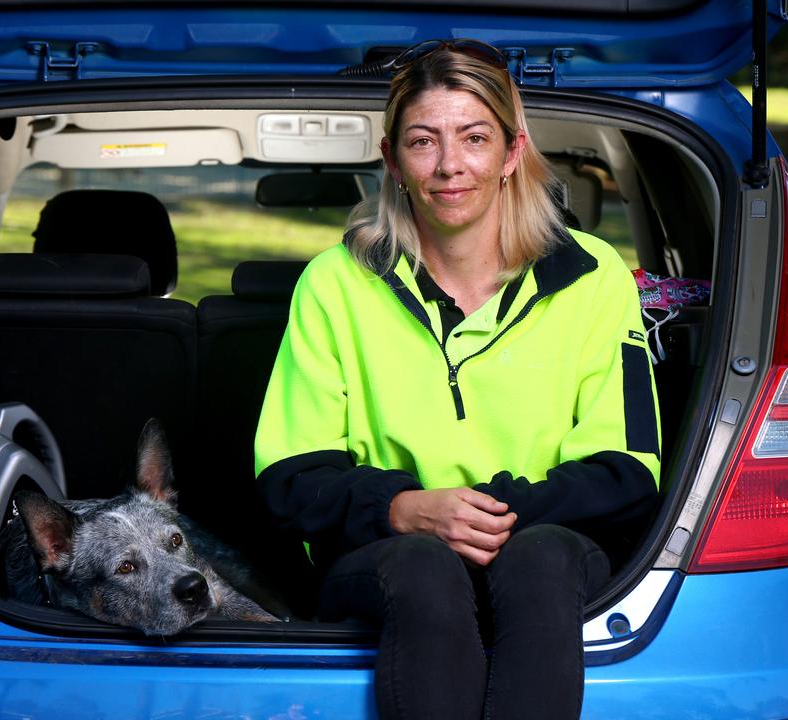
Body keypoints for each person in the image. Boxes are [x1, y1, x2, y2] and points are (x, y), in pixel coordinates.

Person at [254, 39, 661, 720]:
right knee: (421, 565)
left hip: (546, 547)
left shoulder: (594, 276)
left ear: (511, 153)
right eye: (422, 141)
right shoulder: (335, 284)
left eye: (474, 138)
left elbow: (627, 472)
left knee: (538, 561)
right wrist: (402, 509)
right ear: (391, 160)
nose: (449, 166)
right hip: (388, 559)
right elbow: (290, 479)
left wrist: (490, 516)